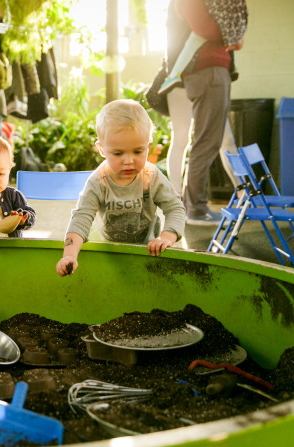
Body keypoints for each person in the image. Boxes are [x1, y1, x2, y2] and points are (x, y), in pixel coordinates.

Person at [55, 100, 186, 277]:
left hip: (147, 251)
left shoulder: (151, 176)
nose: (129, 160)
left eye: (138, 151)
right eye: (118, 153)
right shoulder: (98, 182)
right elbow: (81, 218)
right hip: (109, 252)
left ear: (148, 145)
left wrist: (166, 237)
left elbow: (175, 207)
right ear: (102, 149)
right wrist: (69, 256)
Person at [166, 0, 247, 224]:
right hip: (205, 72)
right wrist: (232, 35)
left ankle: (197, 206)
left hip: (210, 71)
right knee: (204, 141)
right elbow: (203, 27)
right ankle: (193, 208)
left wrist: (233, 35)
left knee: (215, 140)